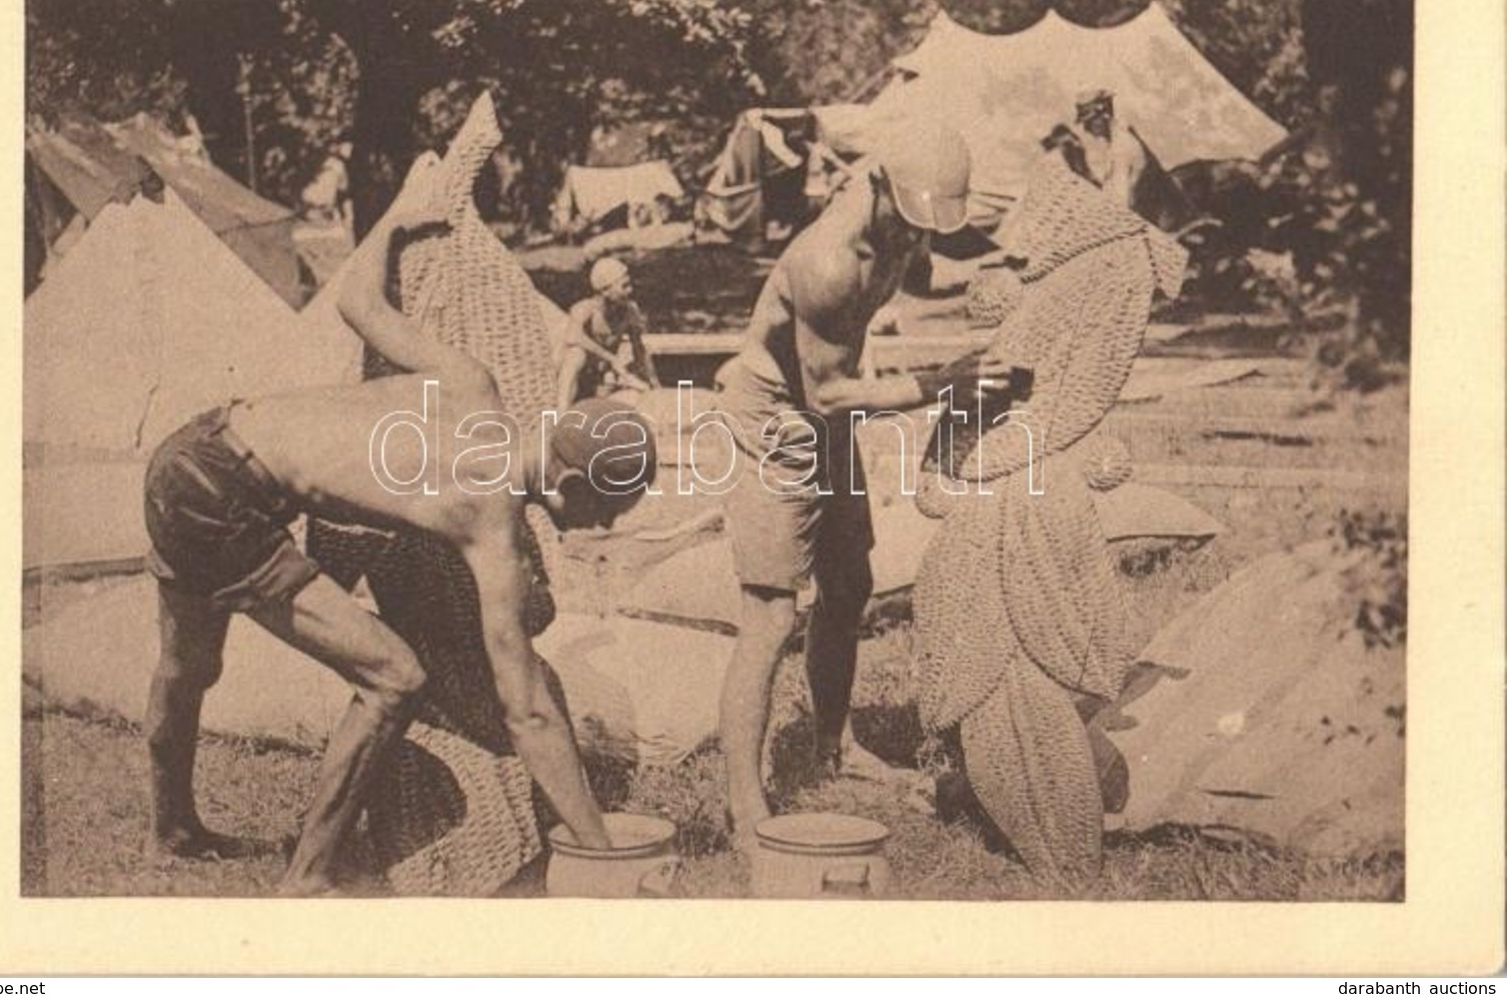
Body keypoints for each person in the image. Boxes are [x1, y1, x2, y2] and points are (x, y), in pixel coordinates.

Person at [142, 372, 657, 895]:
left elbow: (360, 306)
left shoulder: (474, 386)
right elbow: (528, 712)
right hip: (226, 505)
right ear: (571, 486)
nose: (606, 529)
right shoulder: (493, 521)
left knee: (188, 666)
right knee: (396, 677)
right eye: (609, 511)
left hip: (194, 451)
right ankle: (308, 878)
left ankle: (173, 833)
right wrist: (599, 848)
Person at [714, 120, 1012, 854]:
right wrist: (942, 383)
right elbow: (828, 398)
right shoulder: (823, 261)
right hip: (779, 421)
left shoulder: (903, 225)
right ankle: (743, 804)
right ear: (878, 187)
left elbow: (923, 277)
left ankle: (832, 745)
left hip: (830, 410)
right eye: (912, 221)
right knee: (771, 617)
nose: (921, 236)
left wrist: (1015, 284)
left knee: (848, 587)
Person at [555, 257, 660, 409]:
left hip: (603, 373)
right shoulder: (584, 309)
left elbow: (639, 350)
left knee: (636, 389)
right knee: (576, 354)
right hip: (578, 372)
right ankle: (560, 413)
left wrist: (652, 382)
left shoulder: (629, 310)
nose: (630, 291)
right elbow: (572, 336)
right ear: (605, 290)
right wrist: (611, 358)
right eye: (624, 286)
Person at [1070, 89, 1148, 208]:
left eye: (1090, 122)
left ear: (1104, 117)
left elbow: (1122, 199)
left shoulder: (1123, 144)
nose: (1087, 129)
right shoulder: (1109, 145)